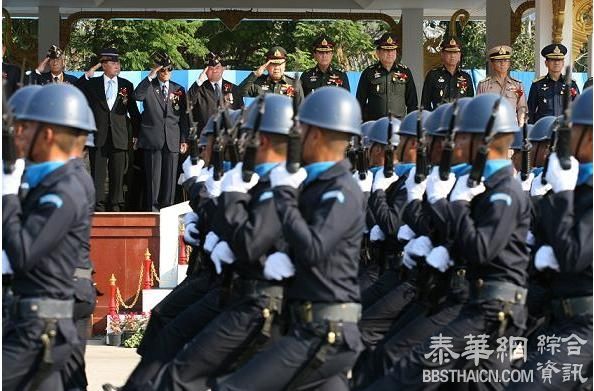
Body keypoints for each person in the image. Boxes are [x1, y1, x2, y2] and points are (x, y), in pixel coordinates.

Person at [365, 94, 530, 389]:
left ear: (484, 141)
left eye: (463, 136)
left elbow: (480, 248)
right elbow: (453, 236)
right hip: (469, 299)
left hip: (492, 308)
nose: (455, 145)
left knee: (404, 366)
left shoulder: (503, 191)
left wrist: (448, 204)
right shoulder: (479, 186)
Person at [214, 86, 365, 390]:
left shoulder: (342, 189)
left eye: (302, 128)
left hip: (326, 330)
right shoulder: (317, 183)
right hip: (309, 324)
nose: (295, 135)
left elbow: (314, 248)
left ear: (317, 135)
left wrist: (284, 195)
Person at [2, 83, 95, 390]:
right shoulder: (48, 182)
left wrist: (7, 193)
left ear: (48, 134)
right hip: (34, 321)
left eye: (25, 127)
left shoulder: (65, 188)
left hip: (39, 328)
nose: (18, 135)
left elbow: (24, 252)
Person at [509, 87, 593, 391]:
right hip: (557, 316)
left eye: (575, 133)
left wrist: (562, 194)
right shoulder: (578, 188)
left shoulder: (577, 190)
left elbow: (572, 254)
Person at [75, 48, 142, 211]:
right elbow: (76, 89)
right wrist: (87, 74)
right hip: (99, 134)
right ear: (103, 65)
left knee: (118, 172)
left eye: (118, 63)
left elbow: (133, 112)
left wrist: (137, 134)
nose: (117, 66)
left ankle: (116, 203)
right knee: (98, 172)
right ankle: (98, 203)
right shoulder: (93, 84)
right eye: (112, 63)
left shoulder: (127, 85)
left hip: (119, 135)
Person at [132, 52, 189, 211]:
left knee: (170, 181)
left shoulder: (178, 89)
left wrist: (183, 139)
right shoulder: (149, 86)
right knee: (153, 180)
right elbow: (137, 96)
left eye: (169, 70)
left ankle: (168, 211)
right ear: (158, 70)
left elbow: (183, 116)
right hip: (153, 139)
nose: (166, 73)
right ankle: (153, 212)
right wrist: (151, 75)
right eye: (163, 70)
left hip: (172, 139)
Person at [357, 32, 417, 121]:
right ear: (378, 52)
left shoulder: (405, 71)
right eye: (386, 50)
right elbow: (360, 101)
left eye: (393, 50)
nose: (390, 54)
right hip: (374, 124)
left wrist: (411, 123)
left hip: (398, 125)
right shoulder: (368, 72)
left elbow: (412, 102)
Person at [187, 52, 244, 131]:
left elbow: (240, 112)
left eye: (217, 67)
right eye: (211, 68)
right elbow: (188, 102)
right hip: (205, 135)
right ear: (205, 71)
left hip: (227, 135)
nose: (214, 71)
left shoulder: (233, 88)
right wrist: (199, 81)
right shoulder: (199, 88)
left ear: (222, 69)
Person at [527, 43, 580, 124]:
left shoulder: (571, 84)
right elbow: (530, 110)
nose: (556, 63)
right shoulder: (537, 85)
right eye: (552, 60)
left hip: (564, 129)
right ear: (546, 63)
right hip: (543, 130)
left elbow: (578, 109)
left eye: (559, 60)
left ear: (563, 63)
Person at [477, 45, 528, 125]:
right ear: (492, 64)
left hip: (511, 129)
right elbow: (479, 109)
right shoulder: (483, 85)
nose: (502, 63)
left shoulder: (517, 85)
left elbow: (522, 107)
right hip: (491, 129)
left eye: (506, 60)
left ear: (509, 63)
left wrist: (521, 127)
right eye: (498, 61)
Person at [421, 35, 474, 111]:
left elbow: (470, 104)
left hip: (459, 120)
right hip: (439, 119)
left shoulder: (466, 77)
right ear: (442, 54)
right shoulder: (433, 75)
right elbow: (425, 104)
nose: (452, 56)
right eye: (449, 52)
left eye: (455, 52)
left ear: (459, 55)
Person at [238, 46, 304, 105]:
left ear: (284, 65)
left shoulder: (294, 83)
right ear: (267, 66)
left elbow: (301, 107)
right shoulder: (257, 82)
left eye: (280, 64)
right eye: (273, 64)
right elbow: (239, 92)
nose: (277, 68)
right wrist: (255, 75)